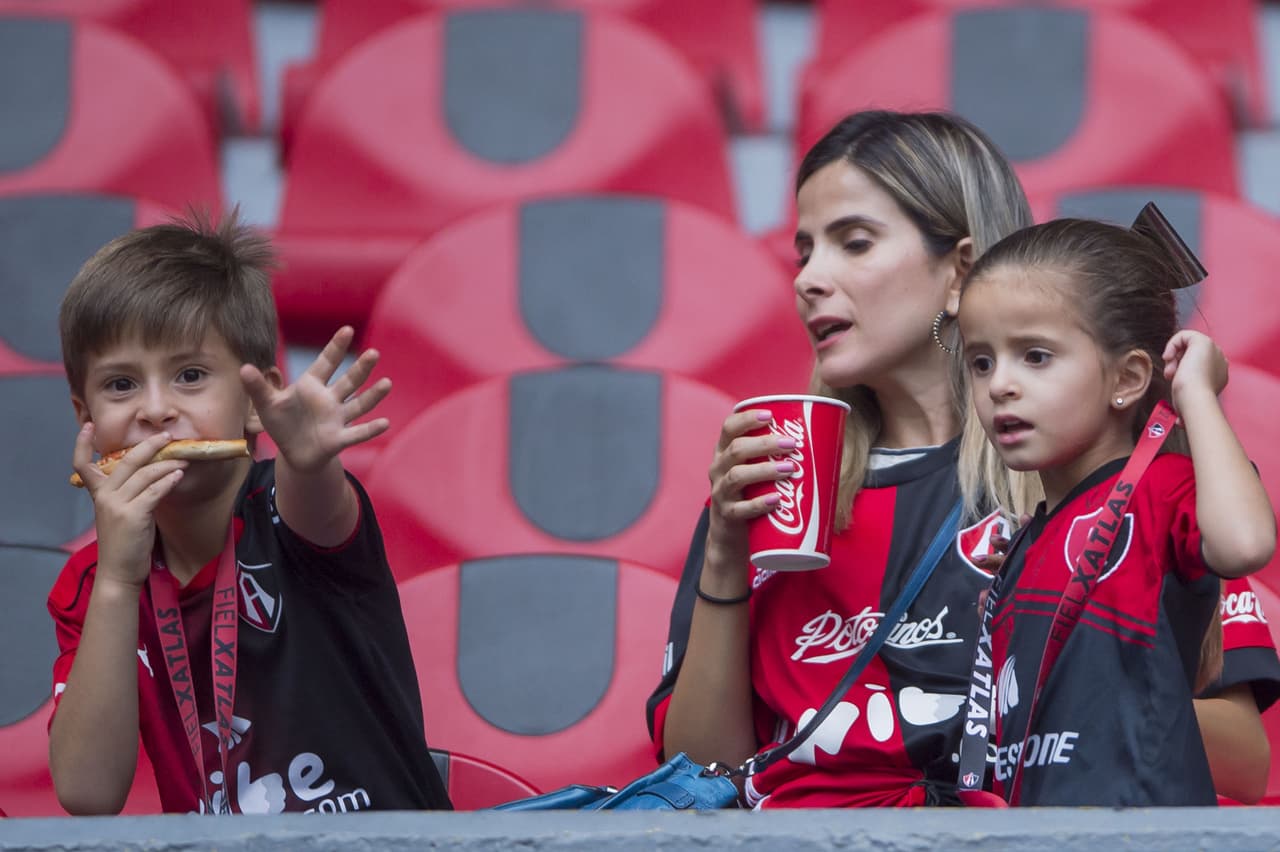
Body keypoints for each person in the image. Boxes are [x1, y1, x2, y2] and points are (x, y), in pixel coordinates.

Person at [646, 110, 1040, 808]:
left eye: (852, 243)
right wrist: (726, 557)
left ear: (962, 269)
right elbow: (699, 773)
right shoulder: (775, 488)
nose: (808, 279)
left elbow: (1222, 754)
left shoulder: (1076, 473)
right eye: (804, 252)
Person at [46, 213, 453, 815]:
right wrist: (118, 580)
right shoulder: (91, 583)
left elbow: (311, 499)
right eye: (121, 385)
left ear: (257, 399)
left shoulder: (291, 508)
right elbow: (87, 795)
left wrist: (309, 461)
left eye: (190, 376)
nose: (155, 410)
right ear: (85, 416)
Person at [956, 215, 1276, 806]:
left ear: (1128, 378)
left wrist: (1197, 394)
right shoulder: (1022, 545)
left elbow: (1244, 544)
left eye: (1034, 356)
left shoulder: (1164, 490)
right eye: (981, 361)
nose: (999, 384)